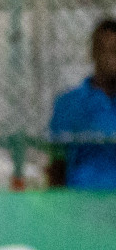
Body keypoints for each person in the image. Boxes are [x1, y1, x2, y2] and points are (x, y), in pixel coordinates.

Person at [49, 18, 116, 190]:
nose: (112, 58)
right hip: (82, 198)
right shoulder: (68, 103)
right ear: (94, 53)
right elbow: (58, 163)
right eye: (108, 50)